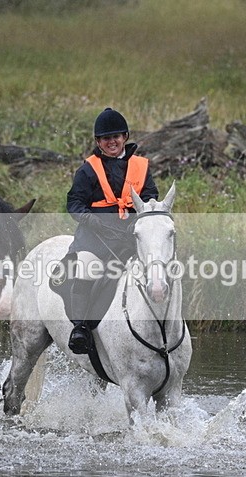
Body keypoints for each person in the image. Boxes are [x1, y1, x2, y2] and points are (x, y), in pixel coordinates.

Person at [65, 107, 159, 354]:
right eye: (106, 138)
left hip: (129, 235)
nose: (112, 142)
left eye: (116, 136)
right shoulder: (88, 169)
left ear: (125, 137)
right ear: (98, 142)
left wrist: (139, 220)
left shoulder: (141, 166)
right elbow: (74, 203)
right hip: (95, 237)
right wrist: (90, 220)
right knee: (87, 268)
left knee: (158, 266)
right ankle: (81, 327)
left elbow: (151, 196)